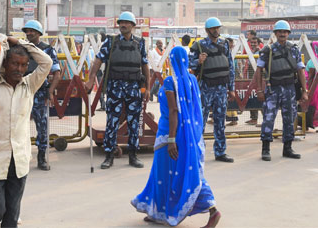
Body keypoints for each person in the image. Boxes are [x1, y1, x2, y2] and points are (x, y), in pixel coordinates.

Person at [131, 46, 221, 227]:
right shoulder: (192, 80)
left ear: (171, 61)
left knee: (165, 172)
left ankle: (212, 208)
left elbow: (174, 110)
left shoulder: (171, 82)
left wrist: (172, 139)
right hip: (188, 135)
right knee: (184, 170)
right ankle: (157, 211)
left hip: (169, 135)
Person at [0, 37, 53, 227]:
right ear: (5, 64)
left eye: (23, 65)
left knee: (12, 214)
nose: (19, 69)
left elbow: (47, 62)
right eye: (14, 64)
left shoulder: (29, 85)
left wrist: (20, 42)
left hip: (19, 161)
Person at [84, 11, 150, 169]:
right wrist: (91, 78)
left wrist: (147, 87)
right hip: (115, 87)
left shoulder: (140, 43)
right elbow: (98, 60)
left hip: (134, 87)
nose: (123, 25)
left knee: (134, 122)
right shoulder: (111, 42)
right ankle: (109, 155)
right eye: (121, 22)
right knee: (112, 122)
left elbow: (145, 65)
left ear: (133, 26)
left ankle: (133, 155)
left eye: (127, 23)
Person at [254, 20, 307, 161]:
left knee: (289, 119)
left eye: (285, 32)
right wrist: (259, 90)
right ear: (275, 33)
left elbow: (300, 71)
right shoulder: (267, 50)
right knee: (268, 119)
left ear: (288, 33)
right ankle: (265, 149)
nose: (282, 34)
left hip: (290, 89)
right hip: (273, 89)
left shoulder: (294, 49)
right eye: (280, 32)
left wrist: (305, 91)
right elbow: (259, 71)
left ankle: (288, 148)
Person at [189, 17, 235, 163]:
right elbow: (188, 64)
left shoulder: (225, 44)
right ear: (208, 30)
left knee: (220, 121)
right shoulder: (198, 46)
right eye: (213, 28)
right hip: (205, 89)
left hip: (221, 89)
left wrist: (231, 88)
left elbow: (230, 67)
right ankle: (197, 152)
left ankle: (220, 152)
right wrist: (198, 61)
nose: (216, 31)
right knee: (200, 122)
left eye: (218, 28)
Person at [22, 19, 61, 171]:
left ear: (39, 33)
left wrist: (50, 91)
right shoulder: (22, 49)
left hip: (40, 93)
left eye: (32, 31)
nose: (29, 33)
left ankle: (41, 157)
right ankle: (22, 156)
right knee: (20, 125)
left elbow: (57, 73)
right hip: (23, 90)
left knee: (42, 127)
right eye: (27, 31)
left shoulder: (48, 50)